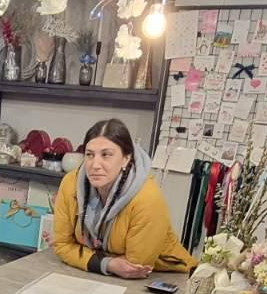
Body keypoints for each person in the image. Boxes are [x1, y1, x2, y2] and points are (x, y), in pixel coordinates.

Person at [52, 118, 194, 278]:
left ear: (126, 159)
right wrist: (107, 264)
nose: (95, 165)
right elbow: (62, 245)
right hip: (103, 274)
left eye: (106, 155)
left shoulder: (147, 198)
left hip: (169, 277)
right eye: (90, 155)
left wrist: (82, 255)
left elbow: (134, 266)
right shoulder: (71, 184)